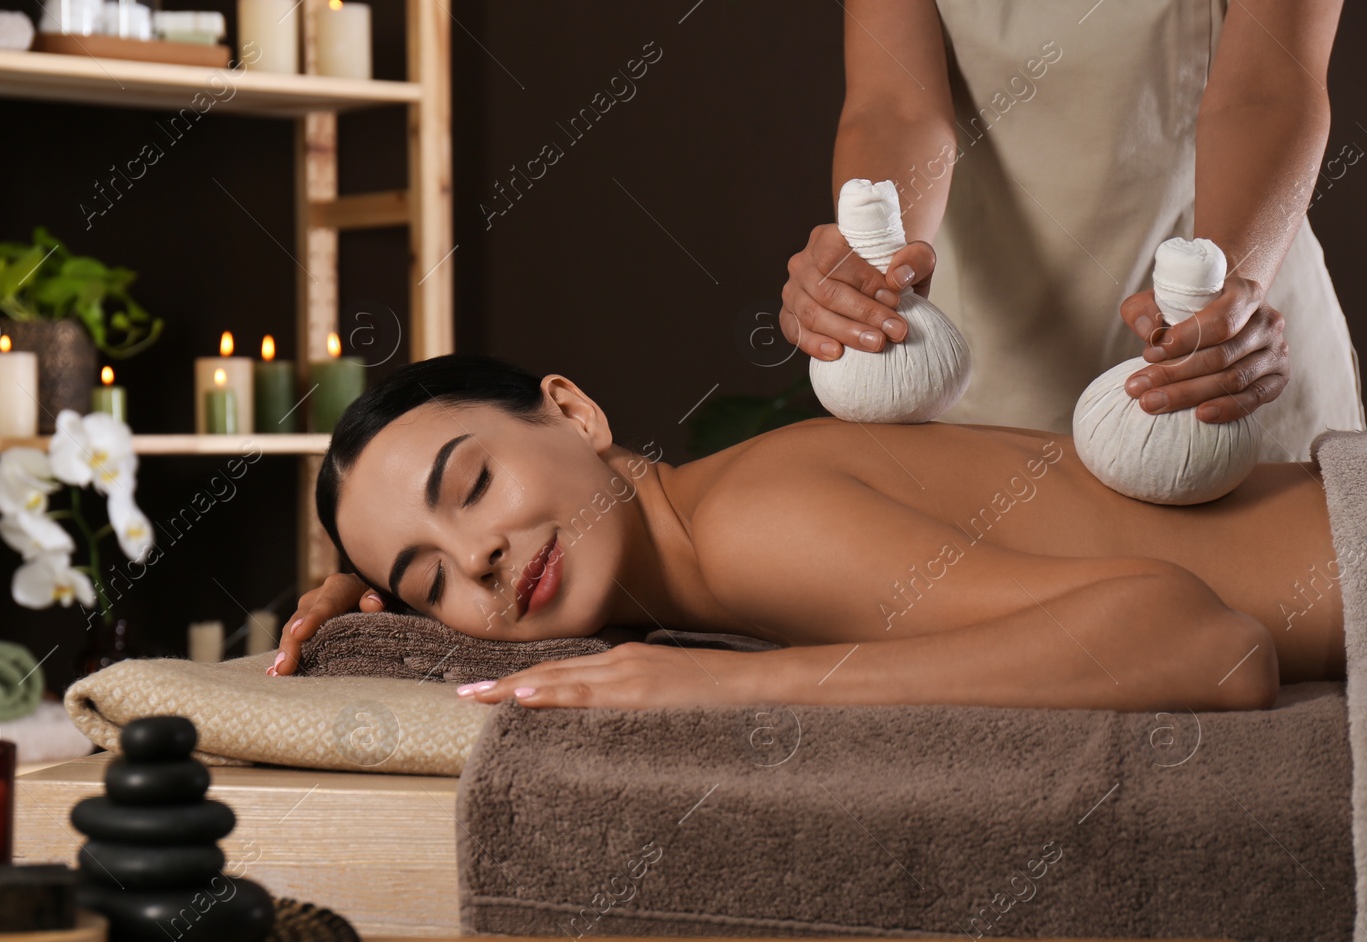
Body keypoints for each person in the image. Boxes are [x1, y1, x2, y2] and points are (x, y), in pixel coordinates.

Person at [272, 355, 1347, 711]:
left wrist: (723, 688)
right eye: (426, 580)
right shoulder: (715, 529)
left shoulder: (753, 525)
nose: (475, 561)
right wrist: (363, 589)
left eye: (472, 485)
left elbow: (1210, 644)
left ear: (572, 412)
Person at [780, 0, 1365, 461]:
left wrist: (1227, 292)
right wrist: (874, 259)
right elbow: (894, 102)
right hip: (984, 373)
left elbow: (1264, 92)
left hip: (1227, 354)